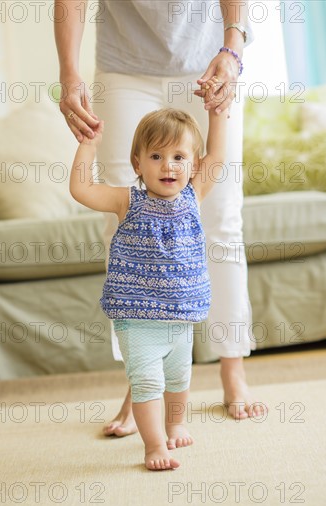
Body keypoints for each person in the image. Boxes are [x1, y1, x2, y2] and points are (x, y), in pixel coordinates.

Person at [54, 0, 265, 434]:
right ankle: (141, 378)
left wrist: (233, 47)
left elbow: (216, 157)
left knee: (222, 218)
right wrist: (69, 73)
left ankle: (232, 368)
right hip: (125, 63)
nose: (167, 167)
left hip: (210, 56)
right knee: (124, 224)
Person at [70, 102, 229, 470]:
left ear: (193, 164)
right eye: (156, 156)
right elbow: (82, 189)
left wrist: (219, 111)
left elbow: (218, 153)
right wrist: (88, 145)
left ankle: (175, 423)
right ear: (138, 164)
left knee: (178, 379)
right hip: (137, 319)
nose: (168, 165)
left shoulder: (194, 195)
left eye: (178, 156)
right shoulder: (128, 200)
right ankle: (154, 446)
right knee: (147, 384)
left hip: (180, 317)